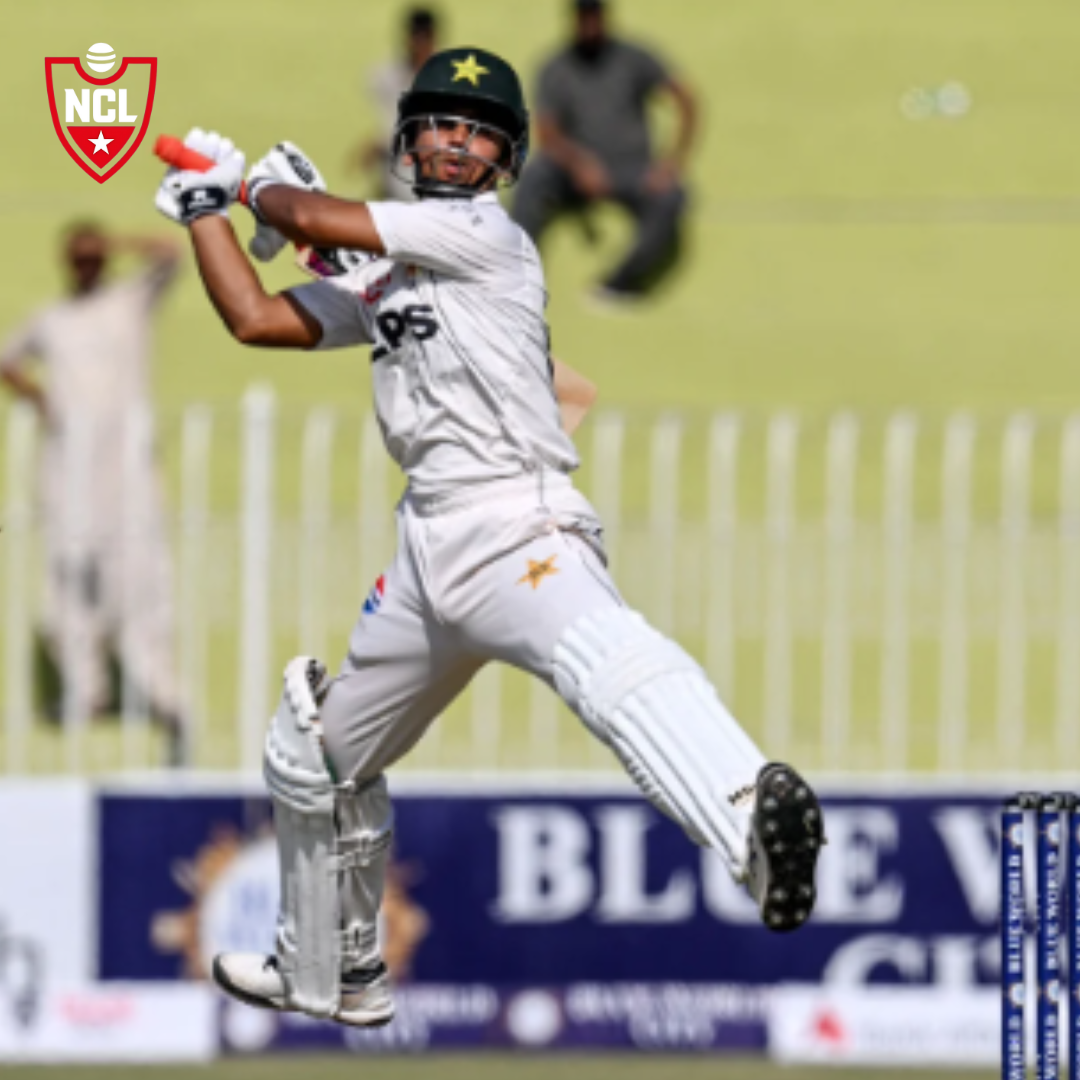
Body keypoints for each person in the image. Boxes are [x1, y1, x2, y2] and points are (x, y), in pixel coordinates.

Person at [153, 46, 823, 1029]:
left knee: (606, 660)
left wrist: (255, 187)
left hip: (517, 523)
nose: (458, 143)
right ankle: (333, 968)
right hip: (426, 555)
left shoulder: (482, 235)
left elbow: (310, 219)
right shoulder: (389, 275)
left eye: (479, 133)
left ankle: (746, 830)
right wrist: (207, 211)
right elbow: (255, 319)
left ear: (505, 161)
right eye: (440, 124)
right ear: (409, 138)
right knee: (314, 758)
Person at [0, 224, 188, 764]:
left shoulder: (127, 301)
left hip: (128, 466)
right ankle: (86, 691)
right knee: (68, 577)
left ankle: (163, 693)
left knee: (143, 581)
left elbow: (172, 254)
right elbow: (7, 358)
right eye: (77, 257)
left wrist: (117, 243)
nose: (85, 265)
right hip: (69, 465)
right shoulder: (51, 319)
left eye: (92, 256)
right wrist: (38, 399)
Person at [512, 0, 697, 303]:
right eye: (583, 17)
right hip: (572, 170)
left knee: (672, 196)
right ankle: (515, 270)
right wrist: (579, 163)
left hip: (632, 168)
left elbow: (685, 98)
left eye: (594, 16)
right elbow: (547, 132)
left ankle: (619, 284)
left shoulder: (634, 58)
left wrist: (672, 161)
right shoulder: (556, 66)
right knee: (533, 177)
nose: (590, 25)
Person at [356, 7, 440, 201]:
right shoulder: (386, 76)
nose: (419, 45)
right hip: (396, 181)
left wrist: (379, 143)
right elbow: (389, 122)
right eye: (416, 38)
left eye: (424, 38)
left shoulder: (446, 78)